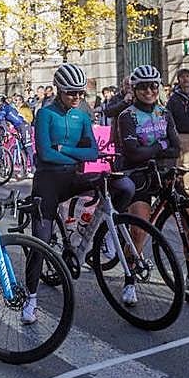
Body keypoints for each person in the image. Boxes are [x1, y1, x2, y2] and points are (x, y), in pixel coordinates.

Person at [29, 64, 136, 315]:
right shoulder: (45, 115)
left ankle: (97, 233)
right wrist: (66, 155)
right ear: (58, 90)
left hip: (73, 176)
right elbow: (44, 153)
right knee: (40, 242)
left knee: (123, 186)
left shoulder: (82, 116)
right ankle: (30, 299)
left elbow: (92, 153)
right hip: (47, 182)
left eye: (80, 93)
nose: (77, 97)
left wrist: (63, 150)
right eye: (71, 93)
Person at [116, 65, 189, 298]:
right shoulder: (128, 115)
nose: (148, 91)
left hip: (166, 173)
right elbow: (133, 152)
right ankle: (130, 280)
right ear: (134, 89)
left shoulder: (164, 113)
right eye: (142, 87)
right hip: (139, 175)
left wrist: (153, 149)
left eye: (153, 86)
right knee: (139, 230)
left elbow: (175, 148)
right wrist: (159, 147)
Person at [0, 93, 33, 177]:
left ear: (0, 102)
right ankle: (24, 171)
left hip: (24, 126)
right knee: (23, 150)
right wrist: (7, 132)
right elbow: (3, 122)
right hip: (19, 128)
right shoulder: (4, 108)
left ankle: (33, 170)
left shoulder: (5, 108)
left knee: (28, 148)